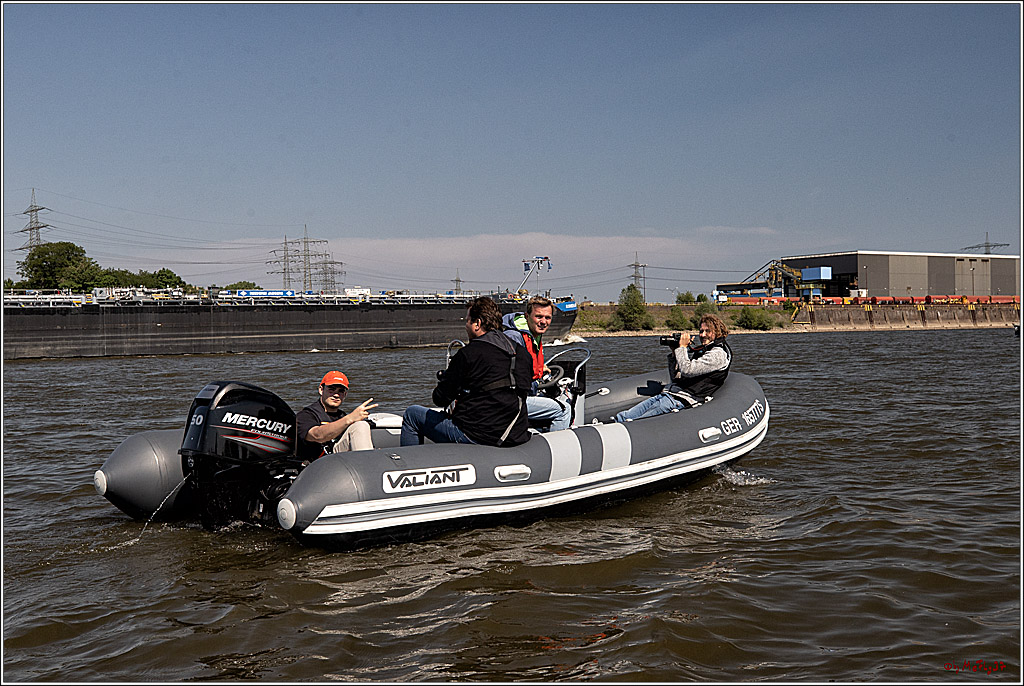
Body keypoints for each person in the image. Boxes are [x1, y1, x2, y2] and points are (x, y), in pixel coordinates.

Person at [401, 296, 533, 447]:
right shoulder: (522, 353)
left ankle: (408, 465)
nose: (466, 325)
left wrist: (449, 381)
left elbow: (440, 399)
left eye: (467, 320)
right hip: (515, 433)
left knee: (412, 414)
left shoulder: (468, 354)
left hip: (478, 435)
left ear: (477, 324)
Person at [614, 313, 732, 422]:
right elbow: (676, 378)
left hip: (679, 401)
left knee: (636, 423)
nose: (703, 335)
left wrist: (682, 348)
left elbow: (687, 370)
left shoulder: (718, 354)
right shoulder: (705, 350)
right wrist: (674, 352)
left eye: (708, 331)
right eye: (701, 331)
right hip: (669, 394)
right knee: (624, 416)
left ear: (717, 332)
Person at [502, 295, 572, 432]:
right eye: (538, 316)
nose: (543, 321)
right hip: (512, 399)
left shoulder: (533, 334)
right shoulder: (514, 337)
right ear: (527, 316)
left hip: (526, 393)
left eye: (547, 318)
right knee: (564, 409)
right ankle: (557, 450)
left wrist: (540, 368)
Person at [295, 371, 378, 461]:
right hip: (317, 464)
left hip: (340, 462)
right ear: (321, 390)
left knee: (361, 425)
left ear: (345, 395)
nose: (336, 395)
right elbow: (316, 435)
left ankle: (370, 464)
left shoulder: (343, 416)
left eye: (341, 391)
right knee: (359, 426)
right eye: (331, 389)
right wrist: (349, 419)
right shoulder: (306, 415)